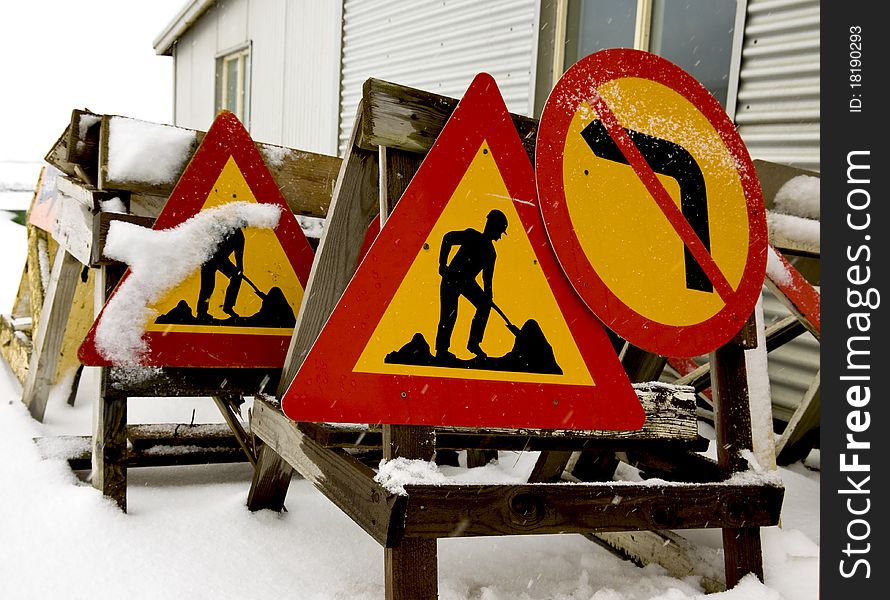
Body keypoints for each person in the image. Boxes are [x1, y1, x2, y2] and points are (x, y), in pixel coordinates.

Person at [435, 209, 508, 359]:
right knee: (449, 314)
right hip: (452, 278)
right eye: (500, 231)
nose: (499, 236)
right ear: (492, 226)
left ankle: (473, 343)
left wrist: (488, 296)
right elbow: (448, 238)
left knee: (484, 305)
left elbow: (487, 279)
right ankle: (442, 351)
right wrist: (443, 265)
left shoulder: (491, 253)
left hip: (467, 282)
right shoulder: (472, 236)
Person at [196, 228, 245, 321]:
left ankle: (228, 306)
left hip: (222, 260)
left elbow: (239, 255)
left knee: (236, 276)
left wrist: (240, 269)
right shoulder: (224, 228)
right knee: (208, 287)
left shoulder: (239, 237)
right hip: (209, 258)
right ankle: (201, 313)